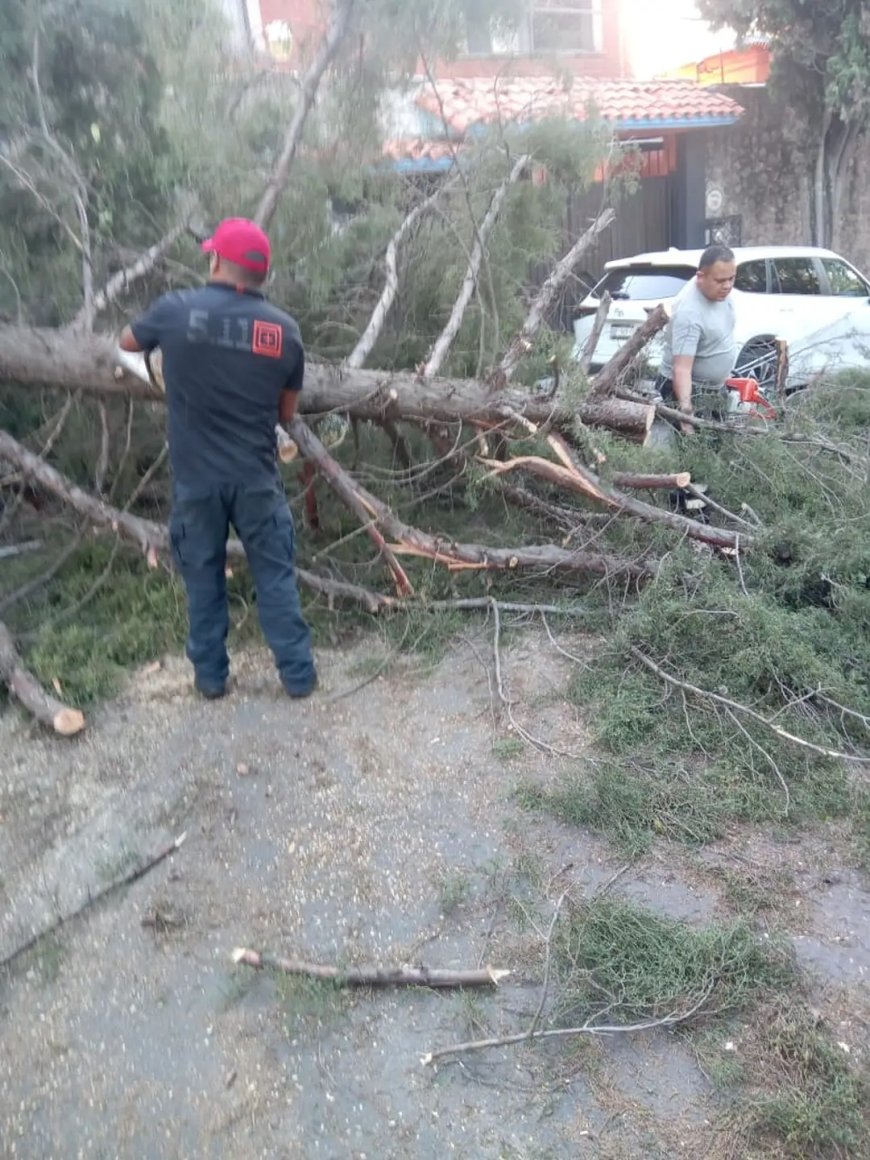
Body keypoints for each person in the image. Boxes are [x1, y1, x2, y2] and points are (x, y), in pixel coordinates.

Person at [119, 217, 316, 700]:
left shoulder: (174, 311)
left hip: (196, 481)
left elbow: (126, 346)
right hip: (255, 478)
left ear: (215, 260)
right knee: (274, 578)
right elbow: (284, 414)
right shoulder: (285, 331)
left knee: (203, 580)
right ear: (261, 275)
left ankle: (210, 679)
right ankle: (298, 677)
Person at [656, 244, 737, 433]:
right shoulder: (689, 313)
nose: (727, 286)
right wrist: (686, 415)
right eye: (720, 280)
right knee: (697, 452)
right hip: (690, 390)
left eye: (731, 278)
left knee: (718, 444)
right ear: (700, 277)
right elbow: (681, 370)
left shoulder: (720, 295)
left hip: (714, 388)